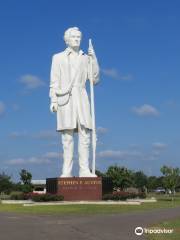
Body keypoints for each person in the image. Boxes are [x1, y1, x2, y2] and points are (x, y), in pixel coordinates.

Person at [49, 27, 100, 177]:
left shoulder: (86, 57)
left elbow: (94, 79)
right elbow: (54, 81)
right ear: (67, 39)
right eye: (74, 37)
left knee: (85, 134)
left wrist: (94, 58)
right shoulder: (57, 57)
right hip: (65, 98)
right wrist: (53, 100)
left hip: (82, 97)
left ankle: (84, 169)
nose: (77, 39)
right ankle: (67, 171)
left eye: (79, 37)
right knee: (67, 136)